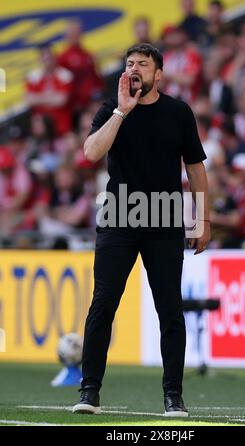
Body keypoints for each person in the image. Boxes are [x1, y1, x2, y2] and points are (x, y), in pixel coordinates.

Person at [72, 43, 210, 417]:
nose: (135, 69)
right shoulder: (110, 109)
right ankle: (89, 392)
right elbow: (91, 153)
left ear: (158, 74)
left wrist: (202, 219)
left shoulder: (179, 112)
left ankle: (173, 396)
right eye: (129, 63)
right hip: (119, 216)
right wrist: (121, 110)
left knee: (169, 309)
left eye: (143, 65)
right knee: (103, 304)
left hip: (164, 218)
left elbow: (196, 168)